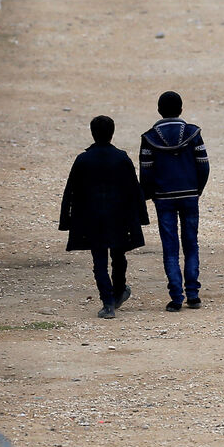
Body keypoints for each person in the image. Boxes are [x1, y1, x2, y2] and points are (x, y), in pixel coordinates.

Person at [59, 115, 148, 319]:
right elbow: (134, 190)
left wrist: (66, 220)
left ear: (92, 133)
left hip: (92, 219)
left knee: (99, 262)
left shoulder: (83, 160)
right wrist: (141, 217)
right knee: (119, 257)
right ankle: (118, 294)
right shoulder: (121, 158)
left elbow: (70, 191)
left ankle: (108, 303)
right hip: (119, 218)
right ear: (112, 133)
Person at [139, 91, 210, 312]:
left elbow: (145, 172)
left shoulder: (149, 137)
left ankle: (176, 297)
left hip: (164, 199)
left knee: (170, 248)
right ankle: (193, 295)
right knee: (191, 244)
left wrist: (149, 194)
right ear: (181, 109)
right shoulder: (193, 133)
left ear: (159, 110)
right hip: (189, 195)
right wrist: (196, 190)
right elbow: (203, 165)